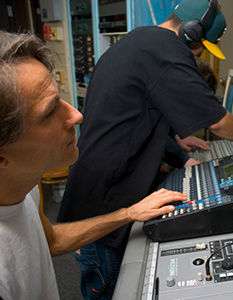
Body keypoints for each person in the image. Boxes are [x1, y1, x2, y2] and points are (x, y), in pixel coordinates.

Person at [57, 0, 233, 298]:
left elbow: (135, 117)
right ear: (191, 33)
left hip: (96, 188)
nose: (200, 53)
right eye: (202, 46)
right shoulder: (167, 51)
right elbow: (217, 121)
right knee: (109, 289)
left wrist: (176, 145)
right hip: (103, 203)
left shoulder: (142, 40)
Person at [0, 30, 187, 300]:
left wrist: (128, 214)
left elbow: (51, 240)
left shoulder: (24, 186)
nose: (76, 115)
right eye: (50, 111)